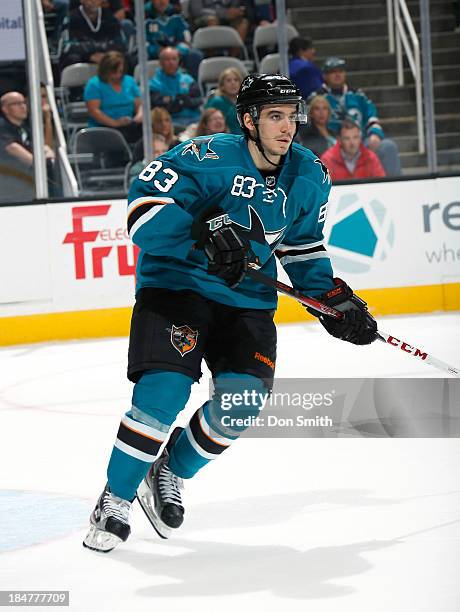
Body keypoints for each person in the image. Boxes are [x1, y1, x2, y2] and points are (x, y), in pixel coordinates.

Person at [82, 73, 378, 553]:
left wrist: (333, 301)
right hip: (179, 284)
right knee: (164, 392)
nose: (287, 127)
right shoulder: (203, 157)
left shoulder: (309, 175)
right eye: (274, 116)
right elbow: (141, 213)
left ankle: (167, 472)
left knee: (241, 404)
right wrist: (203, 227)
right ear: (248, 120)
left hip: (247, 301)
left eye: (292, 116)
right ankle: (114, 498)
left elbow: (303, 250)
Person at [312, 57, 401, 176]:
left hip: (360, 141)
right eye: (333, 71)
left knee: (388, 147)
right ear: (325, 76)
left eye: (341, 71)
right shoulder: (317, 97)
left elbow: (371, 115)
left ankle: (393, 189)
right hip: (330, 144)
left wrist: (375, 134)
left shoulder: (358, 95)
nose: (337, 74)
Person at [0, 92, 55, 203]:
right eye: (17, 103)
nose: (23, 106)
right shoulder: (2, 128)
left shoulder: (25, 128)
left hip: (27, 184)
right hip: (9, 189)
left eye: (24, 102)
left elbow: (46, 149)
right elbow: (18, 152)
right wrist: (43, 159)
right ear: (5, 109)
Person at [84, 51, 142, 143]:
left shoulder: (129, 81)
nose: (117, 75)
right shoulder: (94, 84)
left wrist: (138, 117)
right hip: (104, 128)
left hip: (129, 125)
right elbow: (94, 111)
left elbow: (139, 105)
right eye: (113, 72)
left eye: (120, 71)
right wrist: (115, 123)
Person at [145, 0, 203, 80]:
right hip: (155, 53)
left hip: (177, 51)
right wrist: (157, 50)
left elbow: (186, 40)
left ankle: (193, 86)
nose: (162, 2)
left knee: (195, 55)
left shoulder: (176, 14)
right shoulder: (144, 15)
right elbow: (144, 43)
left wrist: (176, 51)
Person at [60, 0, 126, 69]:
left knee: (125, 58)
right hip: (83, 58)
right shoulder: (71, 18)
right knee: (71, 59)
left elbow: (120, 43)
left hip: (107, 57)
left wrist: (106, 56)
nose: (92, 1)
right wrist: (89, 56)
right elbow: (67, 46)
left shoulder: (110, 18)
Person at [149, 46, 202, 127]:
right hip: (171, 123)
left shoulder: (188, 79)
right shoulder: (154, 84)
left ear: (178, 61)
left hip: (195, 119)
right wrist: (183, 101)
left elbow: (198, 100)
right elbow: (159, 106)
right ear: (160, 62)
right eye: (167, 59)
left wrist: (173, 100)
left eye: (174, 59)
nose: (171, 62)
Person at [321, 119, 385, 181]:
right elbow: (322, 188)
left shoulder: (371, 158)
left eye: (355, 137)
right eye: (347, 138)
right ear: (339, 140)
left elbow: (381, 184)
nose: (352, 143)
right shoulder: (327, 160)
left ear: (360, 138)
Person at [204, 67, 243, 134]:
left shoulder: (245, 101)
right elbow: (206, 123)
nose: (233, 83)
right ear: (222, 85)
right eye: (228, 80)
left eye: (236, 80)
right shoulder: (216, 101)